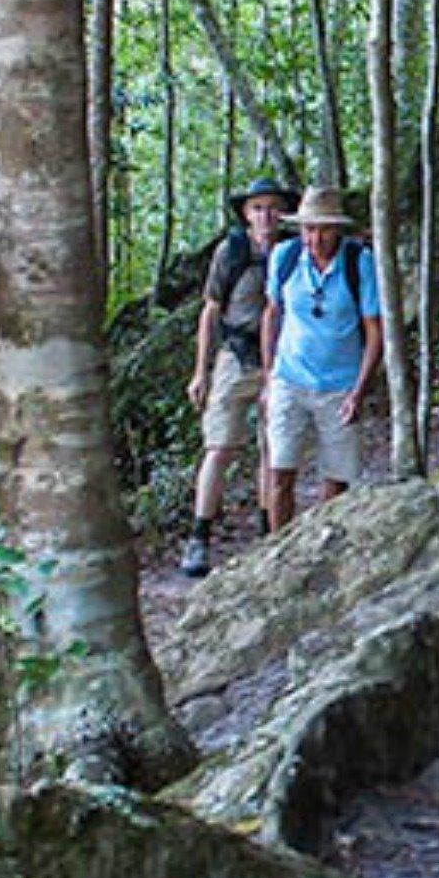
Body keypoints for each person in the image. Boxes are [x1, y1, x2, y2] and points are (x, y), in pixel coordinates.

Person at [180, 176, 293, 578]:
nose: (267, 215)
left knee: (273, 448)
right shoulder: (232, 251)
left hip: (279, 361)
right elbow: (210, 311)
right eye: (259, 207)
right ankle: (199, 536)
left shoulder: (292, 251)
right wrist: (202, 371)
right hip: (235, 356)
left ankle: (268, 533)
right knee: (219, 448)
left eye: (274, 207)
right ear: (247, 213)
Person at [262, 186, 383, 532]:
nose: (315, 237)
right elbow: (272, 314)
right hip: (289, 378)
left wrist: (359, 391)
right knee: (280, 472)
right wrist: (269, 376)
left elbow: (374, 330)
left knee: (336, 480)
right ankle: (276, 550)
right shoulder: (284, 258)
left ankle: (319, 547)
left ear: (338, 229)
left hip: (340, 386)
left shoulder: (359, 263)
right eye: (308, 229)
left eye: (324, 229)